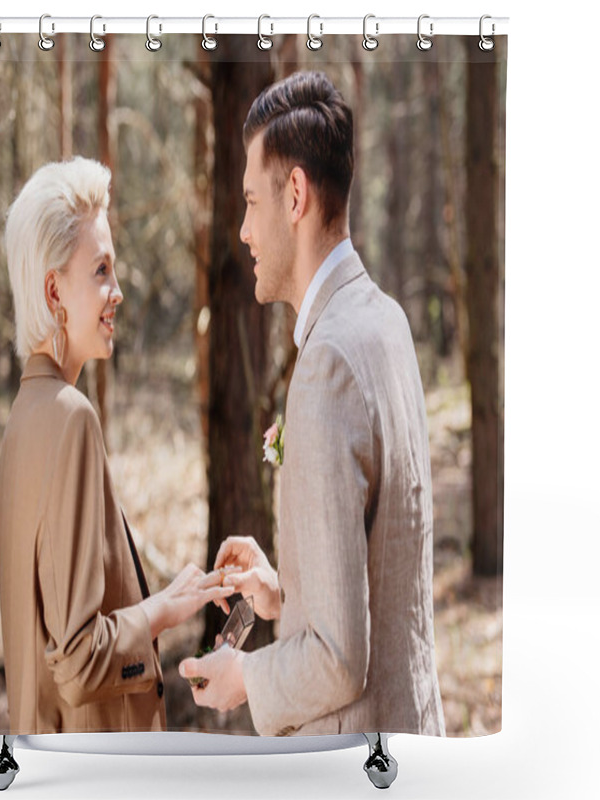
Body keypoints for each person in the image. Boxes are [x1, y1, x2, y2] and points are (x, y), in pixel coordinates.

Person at [179, 72, 446, 737]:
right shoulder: (385, 321)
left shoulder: (328, 363)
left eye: (249, 202)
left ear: (293, 194)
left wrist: (246, 677)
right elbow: (378, 576)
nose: (243, 229)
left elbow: (337, 661)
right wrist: (283, 593)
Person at [0, 157, 233, 734]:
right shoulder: (71, 419)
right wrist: (164, 612)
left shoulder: (23, 419)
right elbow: (77, 661)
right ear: (54, 290)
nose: (118, 292)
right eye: (100, 271)